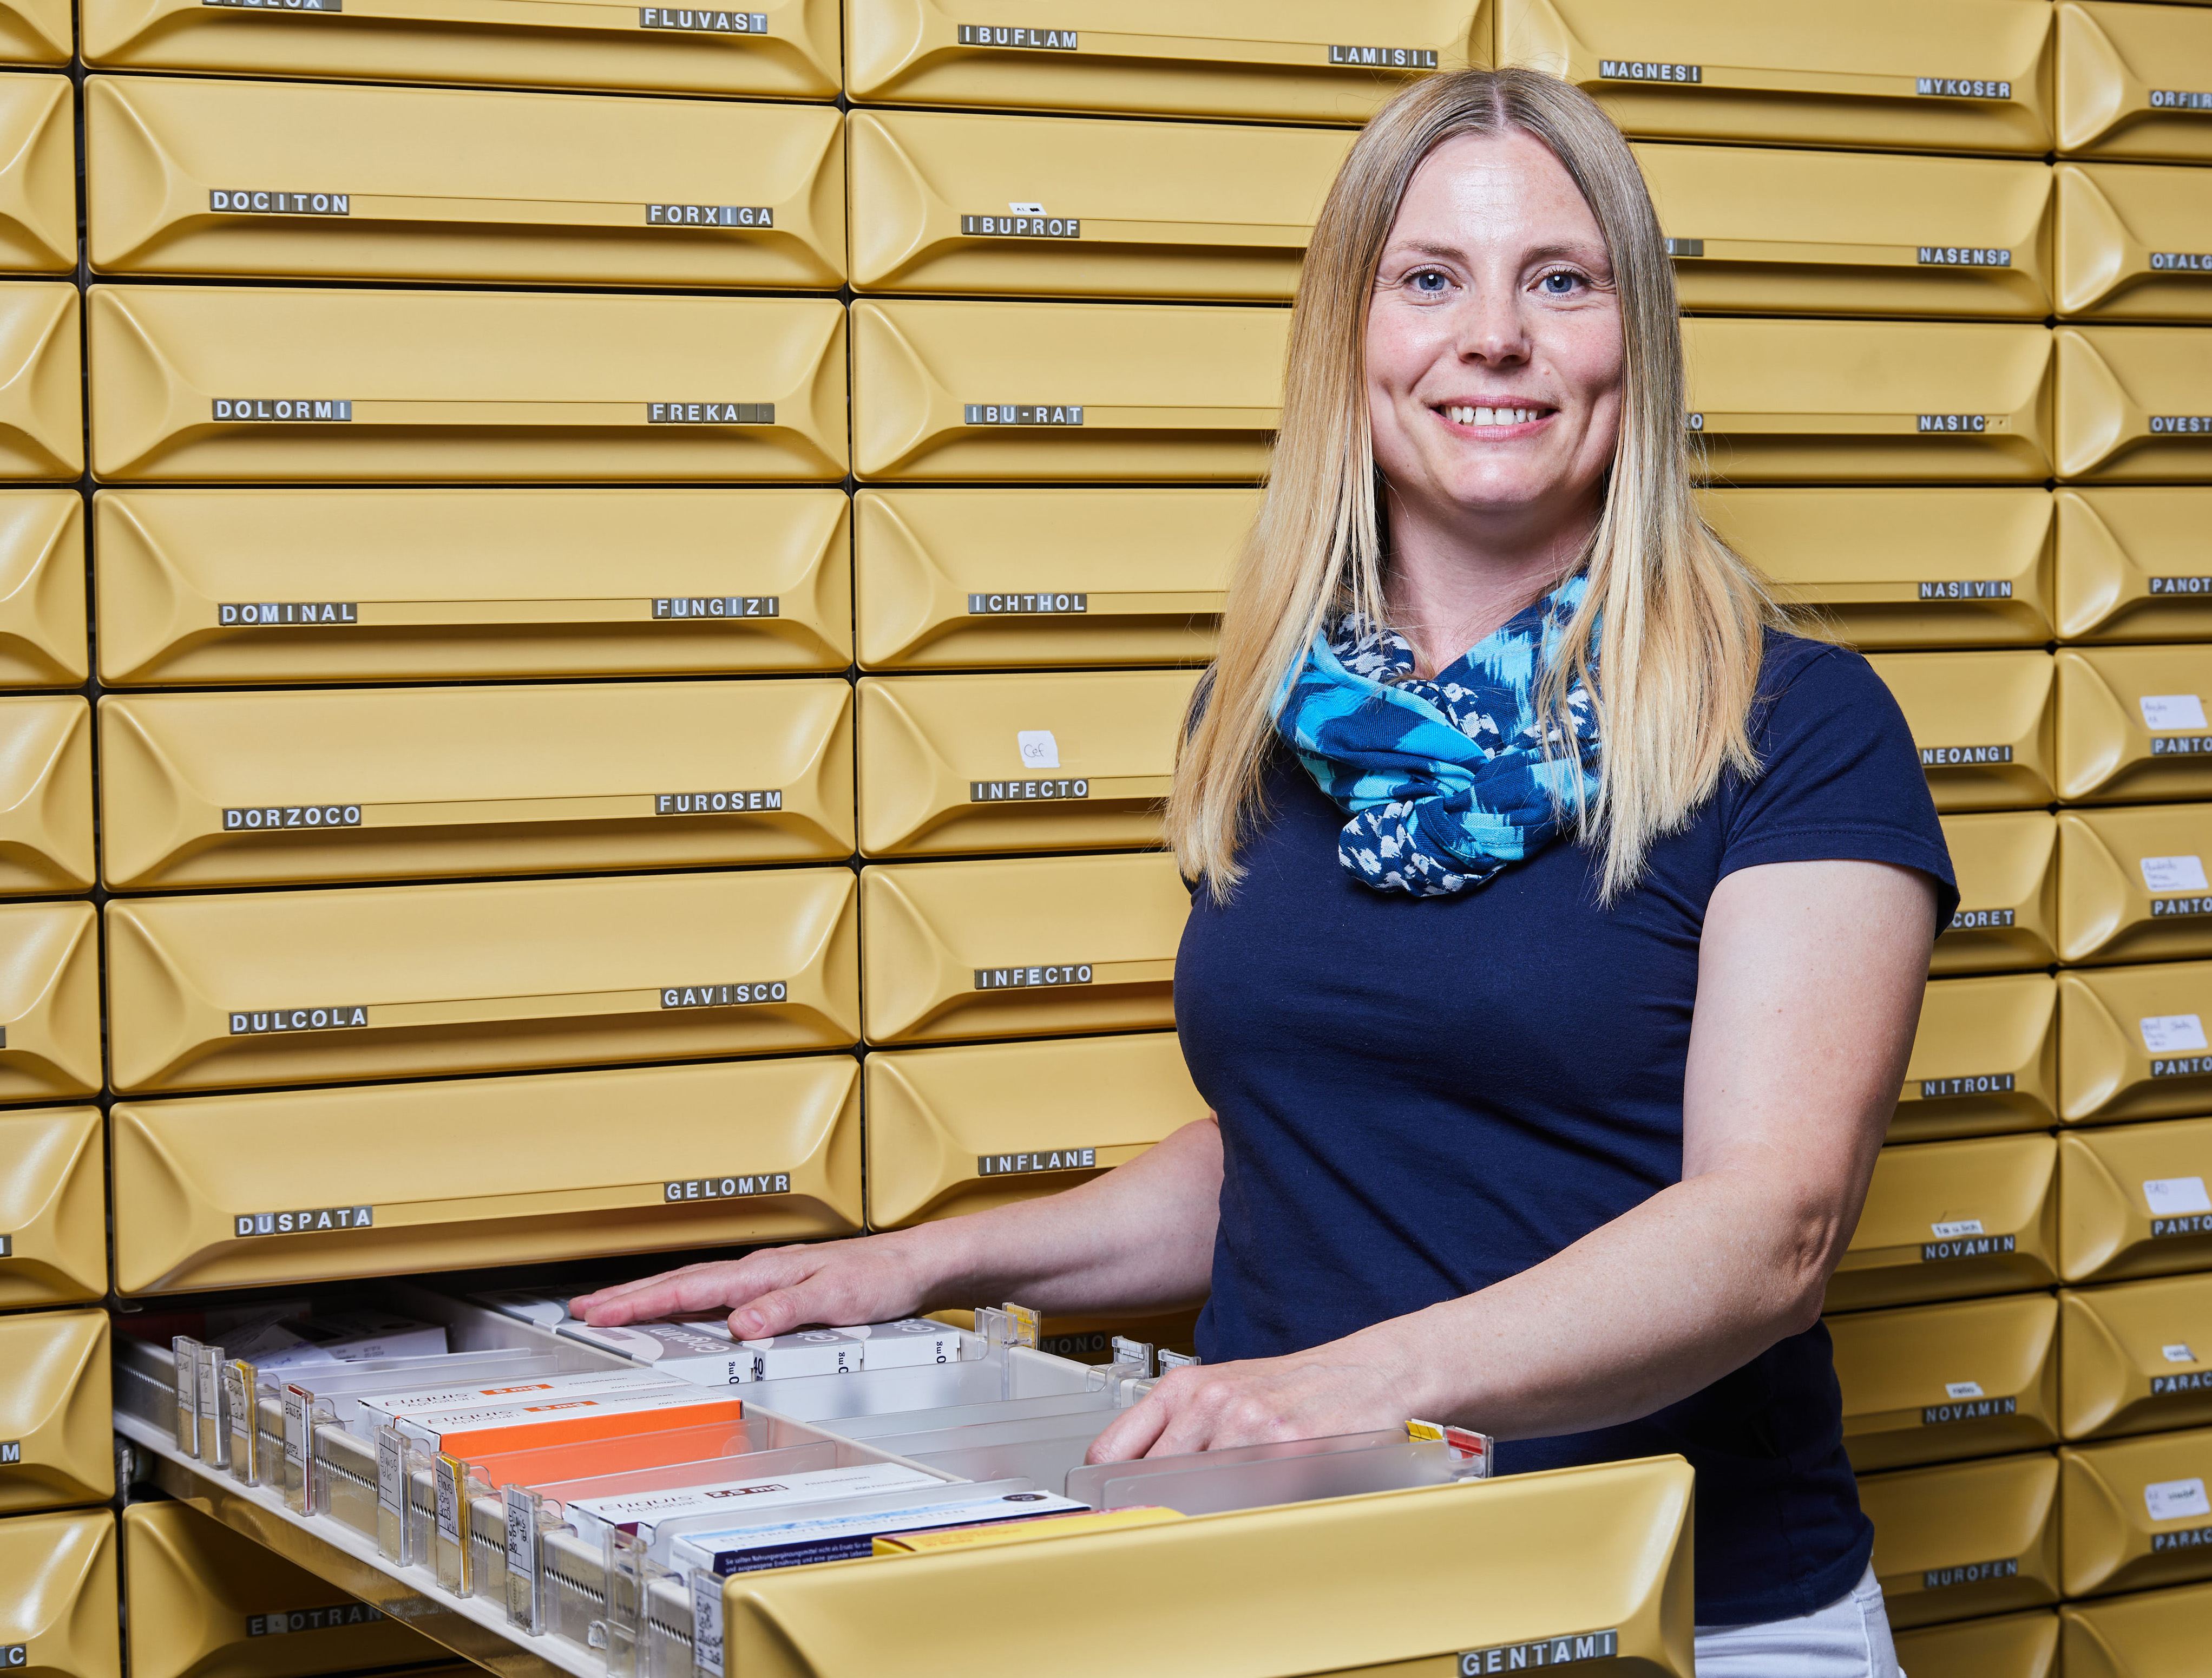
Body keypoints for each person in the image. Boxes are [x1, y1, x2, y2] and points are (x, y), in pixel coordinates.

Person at [579, 67, 1952, 1676]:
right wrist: (926, 1259)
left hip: (1679, 1614)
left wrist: (1356, 1379)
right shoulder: (1270, 718)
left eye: (1559, 281)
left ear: (1631, 338)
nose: (1492, 338)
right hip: (1301, 1586)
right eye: (1428, 278)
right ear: (1347, 341)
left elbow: (1769, 1226)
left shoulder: (1793, 724)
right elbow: (1301, 1155)